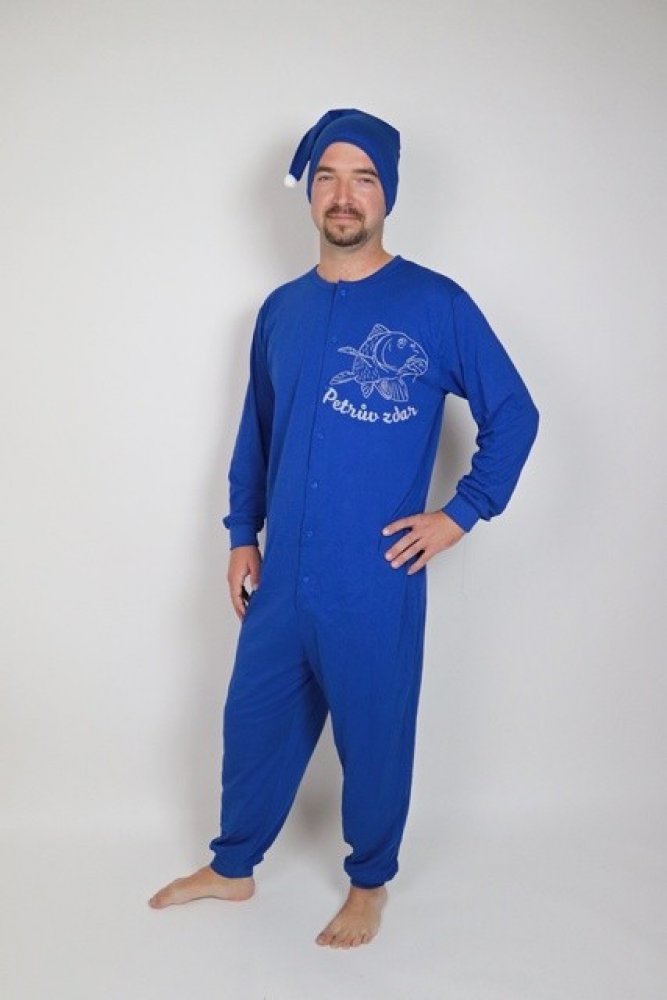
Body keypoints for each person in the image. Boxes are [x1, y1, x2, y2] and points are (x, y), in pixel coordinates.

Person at [148, 108, 539, 948]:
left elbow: (514, 412)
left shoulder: (435, 303)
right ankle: (232, 865)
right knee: (252, 721)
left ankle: (369, 883)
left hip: (374, 573)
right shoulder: (280, 311)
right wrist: (241, 534)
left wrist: (460, 513)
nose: (343, 195)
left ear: (386, 194)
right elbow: (256, 434)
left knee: (373, 729)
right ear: (309, 192)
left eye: (363, 178)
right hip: (282, 571)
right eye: (327, 176)